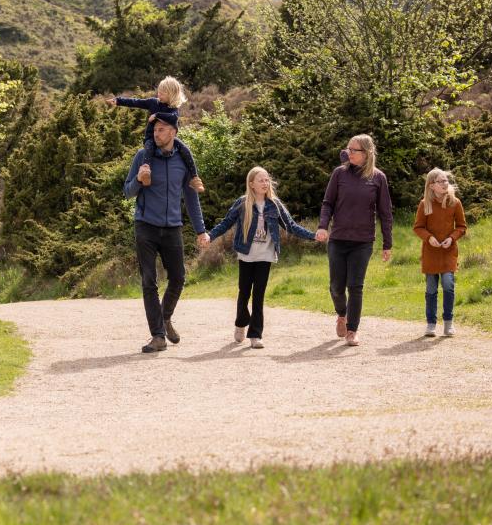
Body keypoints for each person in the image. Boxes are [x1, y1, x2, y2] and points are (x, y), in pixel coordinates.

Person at [200, 166, 321, 348]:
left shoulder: (274, 204)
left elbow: (291, 225)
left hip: (265, 254)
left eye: (267, 180)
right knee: (244, 292)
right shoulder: (242, 203)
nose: (265, 183)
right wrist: (210, 235)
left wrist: (313, 235)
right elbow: (226, 223)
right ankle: (241, 322)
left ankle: (255, 334)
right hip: (246, 254)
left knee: (259, 295)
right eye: (261, 180)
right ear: (252, 184)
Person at [123, 113, 209, 353]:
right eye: (154, 130)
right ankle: (158, 336)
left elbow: (192, 199)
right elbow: (127, 191)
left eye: (161, 130)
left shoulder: (183, 159)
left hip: (173, 227)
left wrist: (201, 230)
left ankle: (165, 317)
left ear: (173, 132)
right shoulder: (143, 156)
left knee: (179, 277)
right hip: (145, 226)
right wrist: (139, 180)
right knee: (149, 280)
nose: (156, 134)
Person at [317, 134, 394, 347]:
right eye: (348, 149)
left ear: (367, 153)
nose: (348, 153)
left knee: (356, 286)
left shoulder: (378, 178)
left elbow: (386, 213)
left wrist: (388, 243)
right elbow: (327, 203)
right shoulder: (339, 174)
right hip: (338, 239)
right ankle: (341, 314)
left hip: (363, 242)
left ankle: (352, 330)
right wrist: (323, 226)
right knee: (336, 287)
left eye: (354, 150)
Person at [111, 76, 205, 193]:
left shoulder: (173, 109)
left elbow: (173, 118)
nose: (159, 94)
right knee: (148, 149)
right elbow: (136, 102)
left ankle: (195, 178)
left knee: (185, 150)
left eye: (163, 92)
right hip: (151, 137)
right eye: (159, 91)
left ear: (172, 94)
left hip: (169, 140)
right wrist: (119, 101)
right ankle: (146, 173)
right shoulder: (153, 102)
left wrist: (157, 115)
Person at [413, 168, 466, 338]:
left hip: (449, 252)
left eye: (446, 181)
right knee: (431, 289)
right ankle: (431, 324)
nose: (445, 184)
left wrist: (452, 238)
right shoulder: (424, 204)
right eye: (441, 181)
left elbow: (461, 227)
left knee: (448, 284)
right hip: (430, 253)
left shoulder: (455, 202)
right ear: (431, 186)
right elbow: (418, 227)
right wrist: (429, 238)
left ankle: (449, 323)